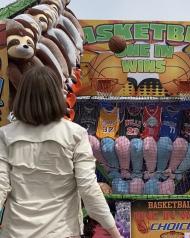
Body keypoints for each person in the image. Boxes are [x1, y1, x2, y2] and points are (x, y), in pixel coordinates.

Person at [0, 66, 123, 238]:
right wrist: (114, 232)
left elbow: (1, 186)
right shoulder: (76, 134)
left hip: (15, 232)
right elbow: (89, 189)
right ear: (57, 95)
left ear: (22, 96)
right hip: (61, 231)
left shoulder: (5, 135)